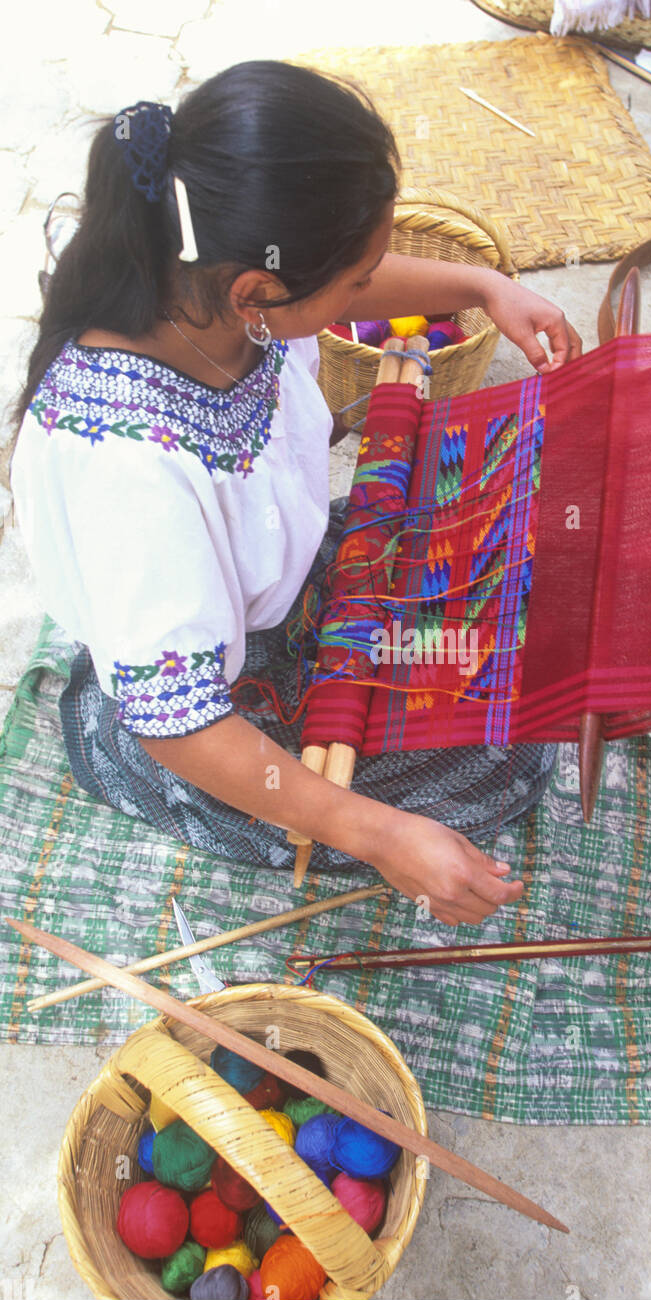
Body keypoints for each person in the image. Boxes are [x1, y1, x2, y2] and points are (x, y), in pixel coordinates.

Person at [11, 61, 581, 928]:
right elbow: (179, 723)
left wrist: (483, 288)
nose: (362, 290)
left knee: (513, 591)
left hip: (271, 596)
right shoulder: (131, 471)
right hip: (186, 722)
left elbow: (344, 279)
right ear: (260, 292)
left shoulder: (205, 291)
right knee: (497, 756)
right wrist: (378, 834)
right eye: (351, 284)